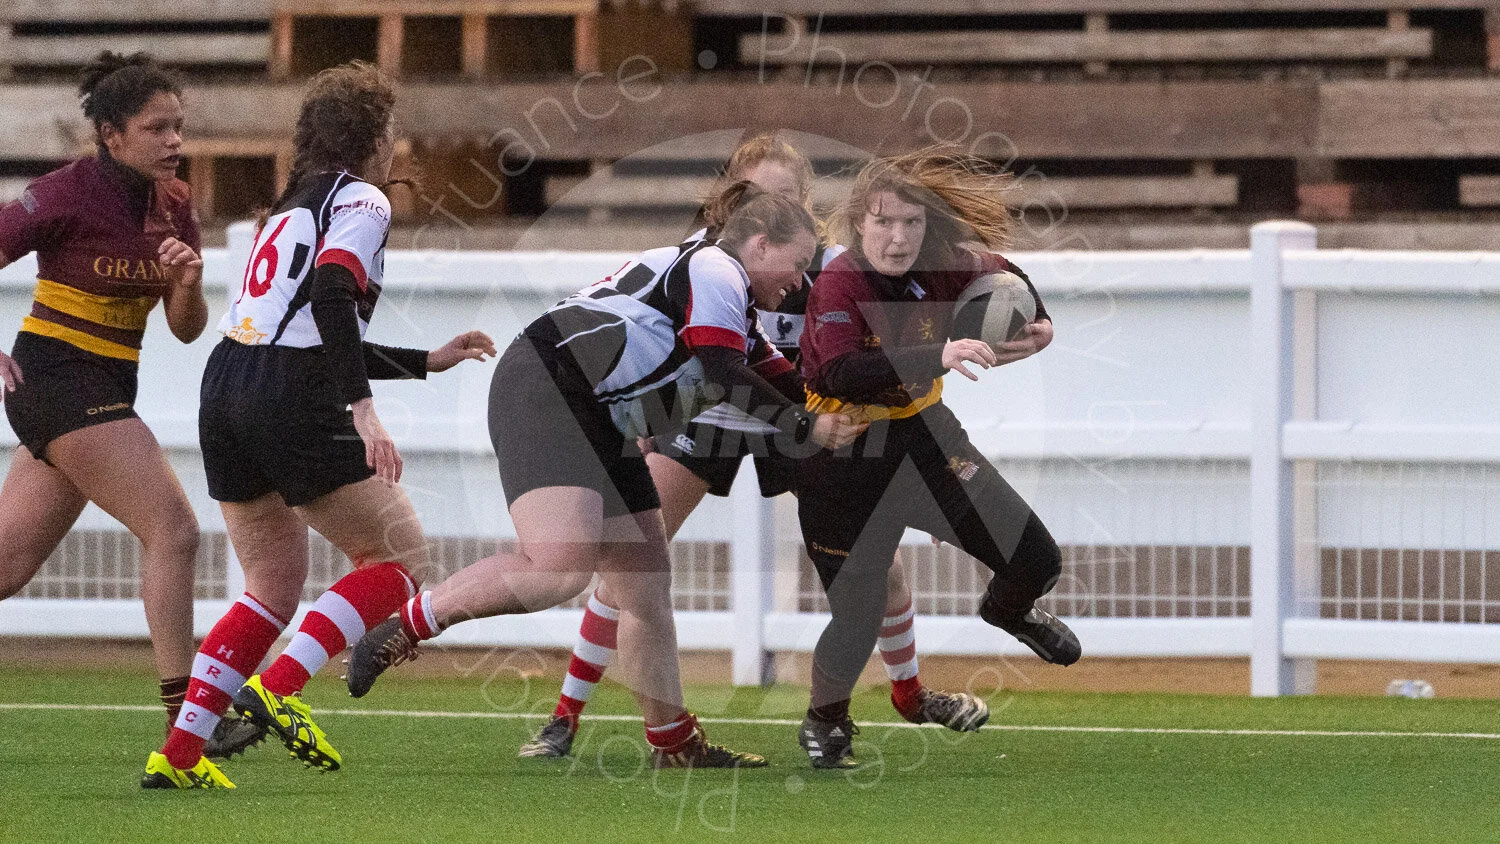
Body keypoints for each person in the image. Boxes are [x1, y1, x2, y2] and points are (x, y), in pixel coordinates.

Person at [346, 183, 864, 768]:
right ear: (761, 242)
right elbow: (724, 370)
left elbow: (788, 378)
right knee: (558, 567)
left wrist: (870, 391)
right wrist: (806, 427)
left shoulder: (735, 301)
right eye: (796, 264)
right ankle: (408, 624)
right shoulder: (717, 267)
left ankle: (673, 741)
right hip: (548, 387)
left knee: (644, 583)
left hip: (594, 411)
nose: (799, 282)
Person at [515, 134, 987, 760]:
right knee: (626, 563)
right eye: (761, 199)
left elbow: (881, 373)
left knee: (878, 565)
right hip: (704, 417)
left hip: (798, 421)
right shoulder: (708, 262)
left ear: (808, 205)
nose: (773, 213)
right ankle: (564, 718)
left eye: (787, 199)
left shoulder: (838, 269)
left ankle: (910, 693)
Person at [140, 61, 495, 789]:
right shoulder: (362, 199)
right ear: (373, 136)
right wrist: (364, 409)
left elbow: (300, 326)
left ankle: (177, 757)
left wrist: (427, 359)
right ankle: (281, 690)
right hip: (290, 397)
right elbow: (333, 295)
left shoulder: (290, 205)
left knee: (272, 582)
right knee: (398, 566)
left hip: (229, 383)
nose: (394, 146)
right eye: (390, 130)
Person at [0, 51, 258, 761]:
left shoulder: (174, 202)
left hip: (103, 390)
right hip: (57, 381)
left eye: (179, 127)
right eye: (157, 128)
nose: (175, 142)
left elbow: (184, 328)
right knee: (173, 530)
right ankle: (187, 722)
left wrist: (185, 283)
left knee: (6, 568)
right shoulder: (64, 193)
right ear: (111, 134)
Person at [793, 149, 1080, 769]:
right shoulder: (840, 283)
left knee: (1036, 558)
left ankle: (1008, 609)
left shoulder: (947, 265)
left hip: (924, 436)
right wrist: (938, 355)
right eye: (883, 223)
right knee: (858, 612)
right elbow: (841, 370)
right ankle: (826, 719)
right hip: (843, 451)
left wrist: (1042, 319)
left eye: (912, 224)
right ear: (856, 224)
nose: (897, 239)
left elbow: (1004, 273)